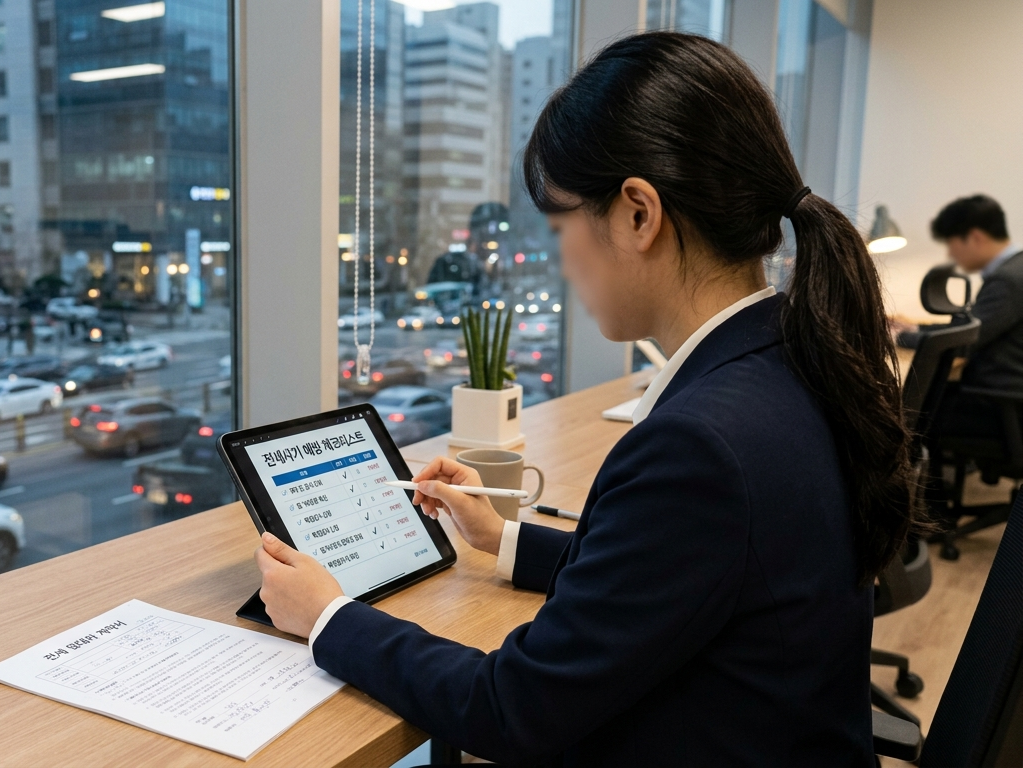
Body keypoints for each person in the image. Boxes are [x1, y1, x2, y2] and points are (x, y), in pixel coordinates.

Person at [253, 32, 921, 766]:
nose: (561, 256)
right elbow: (667, 574)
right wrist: (501, 538)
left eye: (561, 224)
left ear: (638, 213)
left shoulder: (701, 447)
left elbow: (509, 710)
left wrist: (328, 616)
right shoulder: (791, 361)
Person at [895, 195, 1023, 439]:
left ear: (975, 237)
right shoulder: (1016, 270)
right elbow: (973, 327)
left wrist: (899, 336)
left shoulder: (1008, 281)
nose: (951, 255)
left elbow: (963, 342)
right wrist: (916, 328)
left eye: (952, 244)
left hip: (997, 408)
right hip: (1006, 400)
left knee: (909, 413)